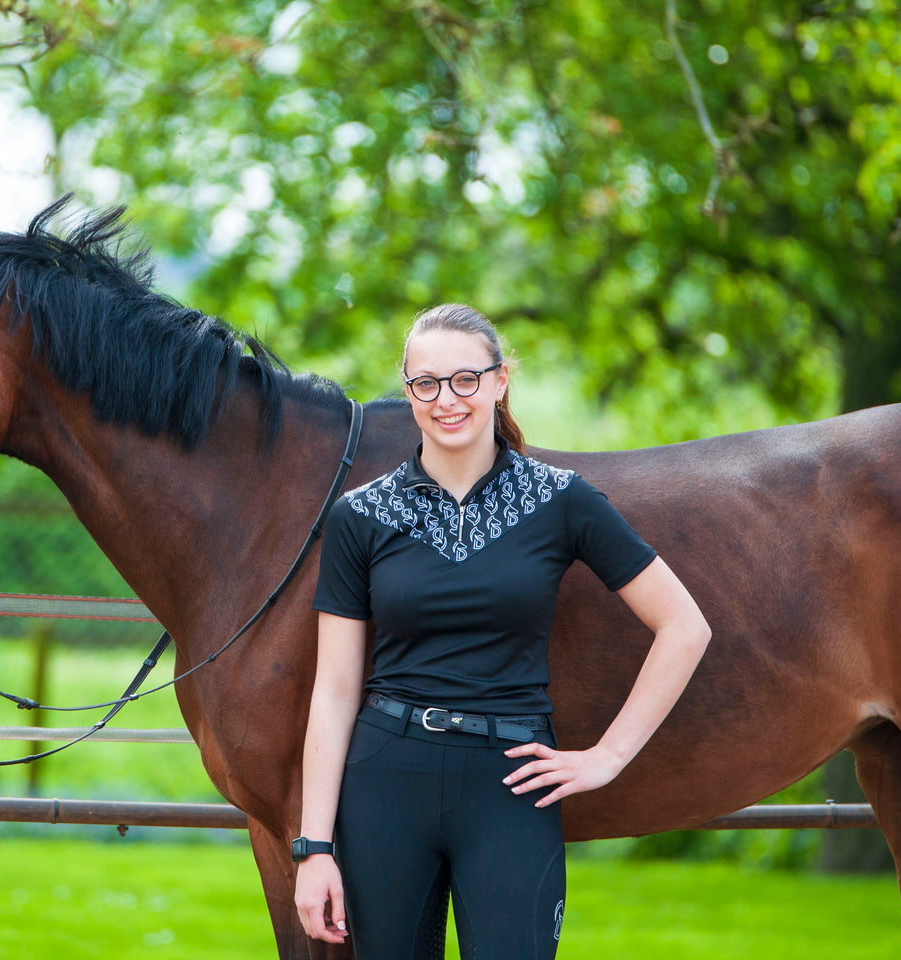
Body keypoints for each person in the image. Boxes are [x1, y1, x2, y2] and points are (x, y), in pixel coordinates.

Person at [292, 304, 712, 959]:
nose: (446, 399)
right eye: (425, 383)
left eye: (465, 379)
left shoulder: (561, 500)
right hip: (383, 784)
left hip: (510, 785)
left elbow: (684, 626)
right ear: (407, 394)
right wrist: (314, 847)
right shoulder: (359, 515)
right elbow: (335, 689)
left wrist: (608, 756)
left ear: (499, 380)